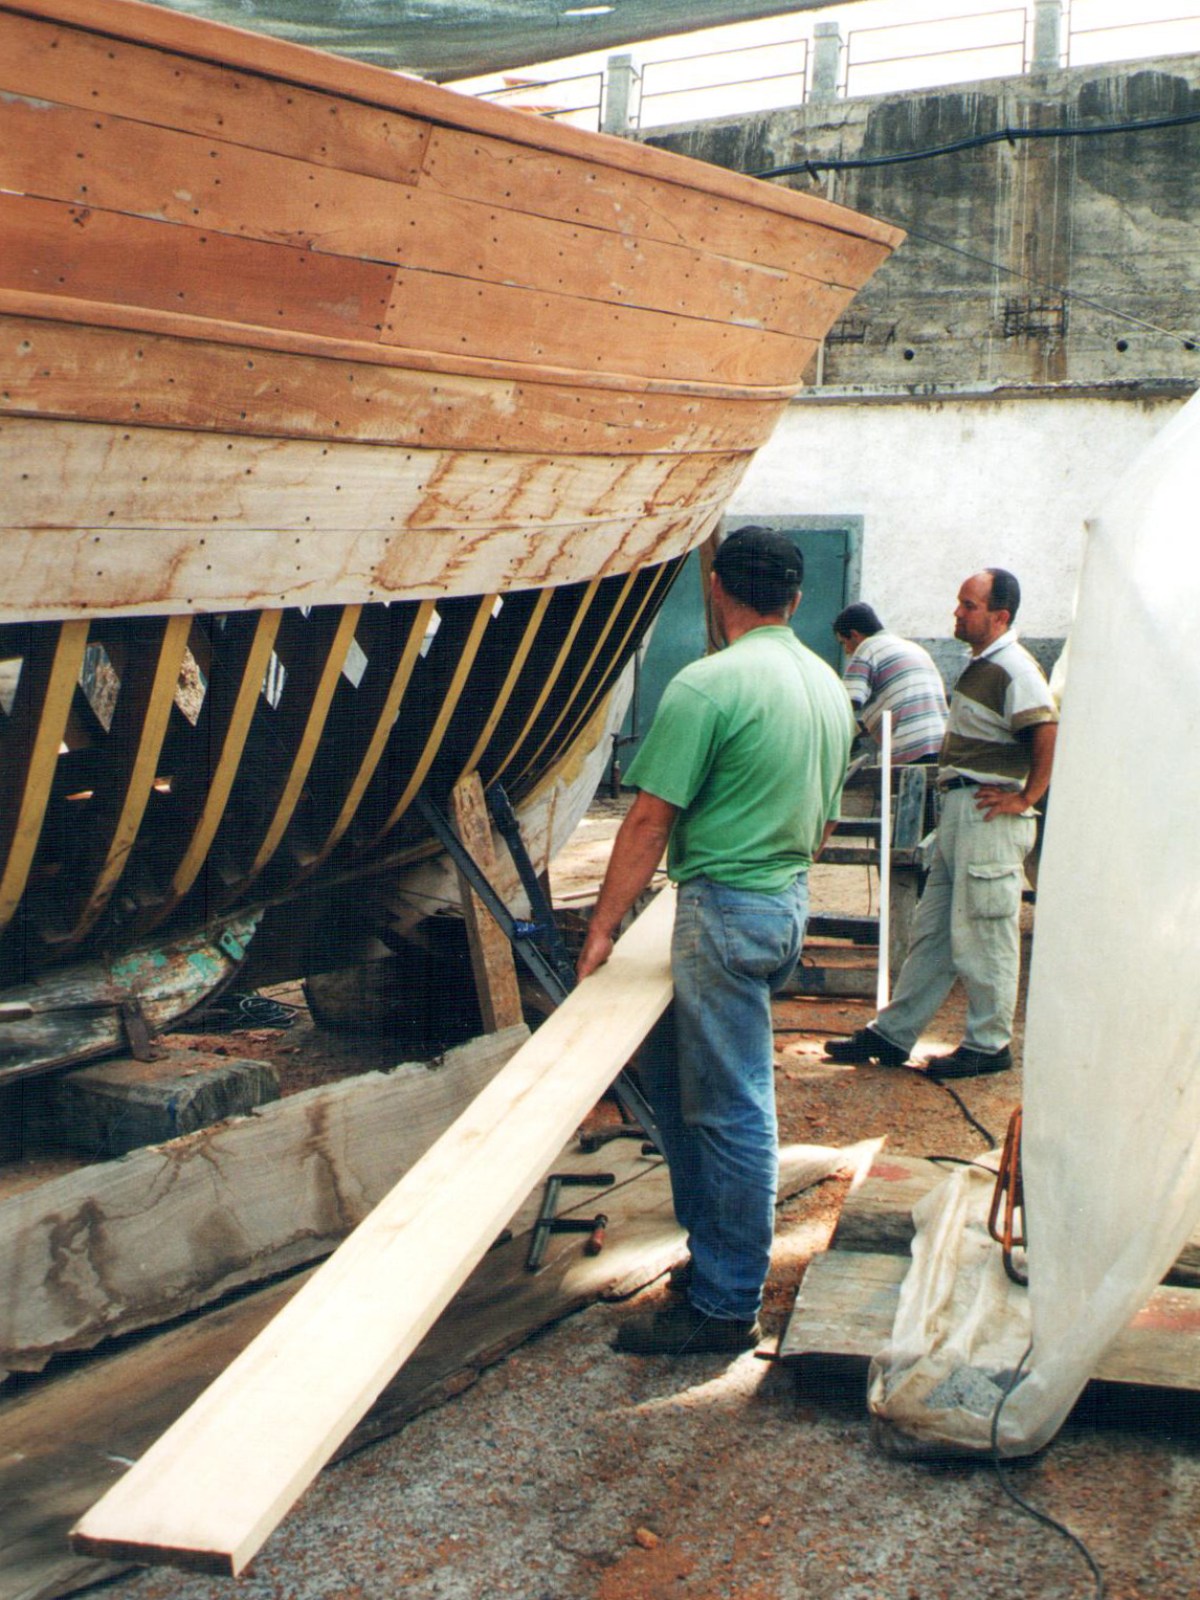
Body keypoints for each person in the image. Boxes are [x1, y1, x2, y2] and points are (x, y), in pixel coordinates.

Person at [576, 526, 855, 1356]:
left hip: (725, 909)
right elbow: (825, 822)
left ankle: (727, 1305)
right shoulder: (827, 685)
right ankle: (712, 1262)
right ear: (795, 601)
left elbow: (649, 820)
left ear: (718, 589)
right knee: (679, 1086)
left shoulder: (708, 684)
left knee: (731, 1110)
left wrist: (601, 928)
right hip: (784, 901)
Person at [825, 568, 1057, 1083]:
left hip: (988, 814)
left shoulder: (1015, 667)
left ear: (1000, 616)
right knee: (933, 932)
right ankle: (893, 1033)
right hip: (961, 808)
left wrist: (1027, 796)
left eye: (969, 605)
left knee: (985, 930)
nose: (957, 612)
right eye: (960, 602)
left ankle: (989, 1043)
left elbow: (1046, 730)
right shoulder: (983, 665)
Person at [833, 602, 948, 764]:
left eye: (843, 643)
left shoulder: (867, 647)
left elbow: (844, 703)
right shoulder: (913, 648)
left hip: (909, 748)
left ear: (854, 635)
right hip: (942, 745)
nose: (846, 651)